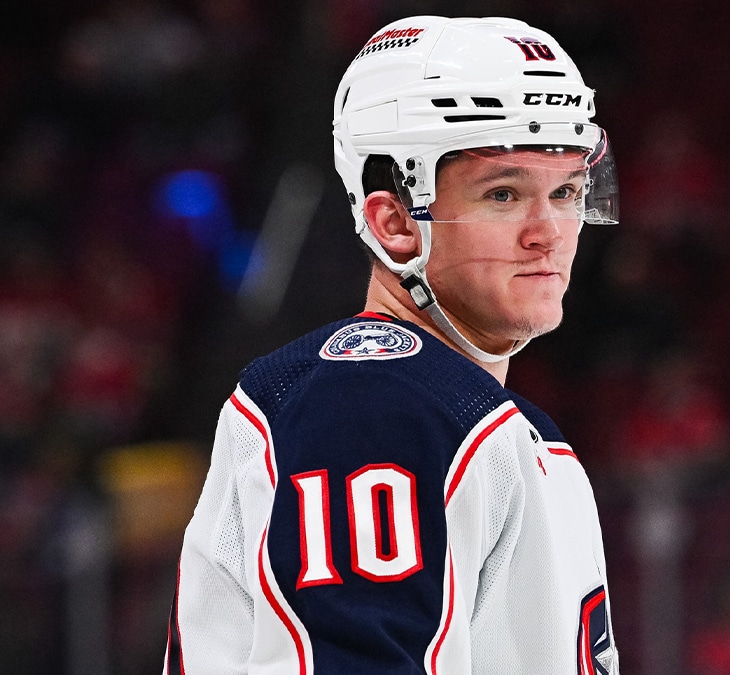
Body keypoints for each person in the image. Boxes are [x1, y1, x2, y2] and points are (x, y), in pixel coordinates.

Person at [164, 16, 619, 674]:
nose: (549, 232)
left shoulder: (475, 417)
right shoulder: (370, 400)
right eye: (504, 193)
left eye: (567, 192)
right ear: (396, 221)